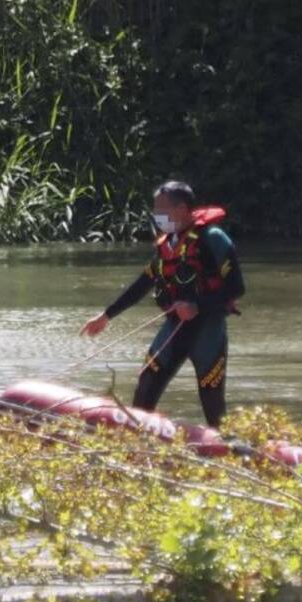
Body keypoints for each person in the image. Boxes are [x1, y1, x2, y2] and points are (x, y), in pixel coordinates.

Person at [81, 181, 244, 427]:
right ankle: (138, 440)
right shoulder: (167, 244)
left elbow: (236, 287)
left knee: (212, 402)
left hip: (208, 331)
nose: (156, 214)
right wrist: (106, 316)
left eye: (160, 208)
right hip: (173, 330)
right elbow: (143, 284)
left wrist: (196, 306)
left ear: (181, 209)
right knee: (145, 385)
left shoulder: (213, 239)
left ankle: (224, 443)